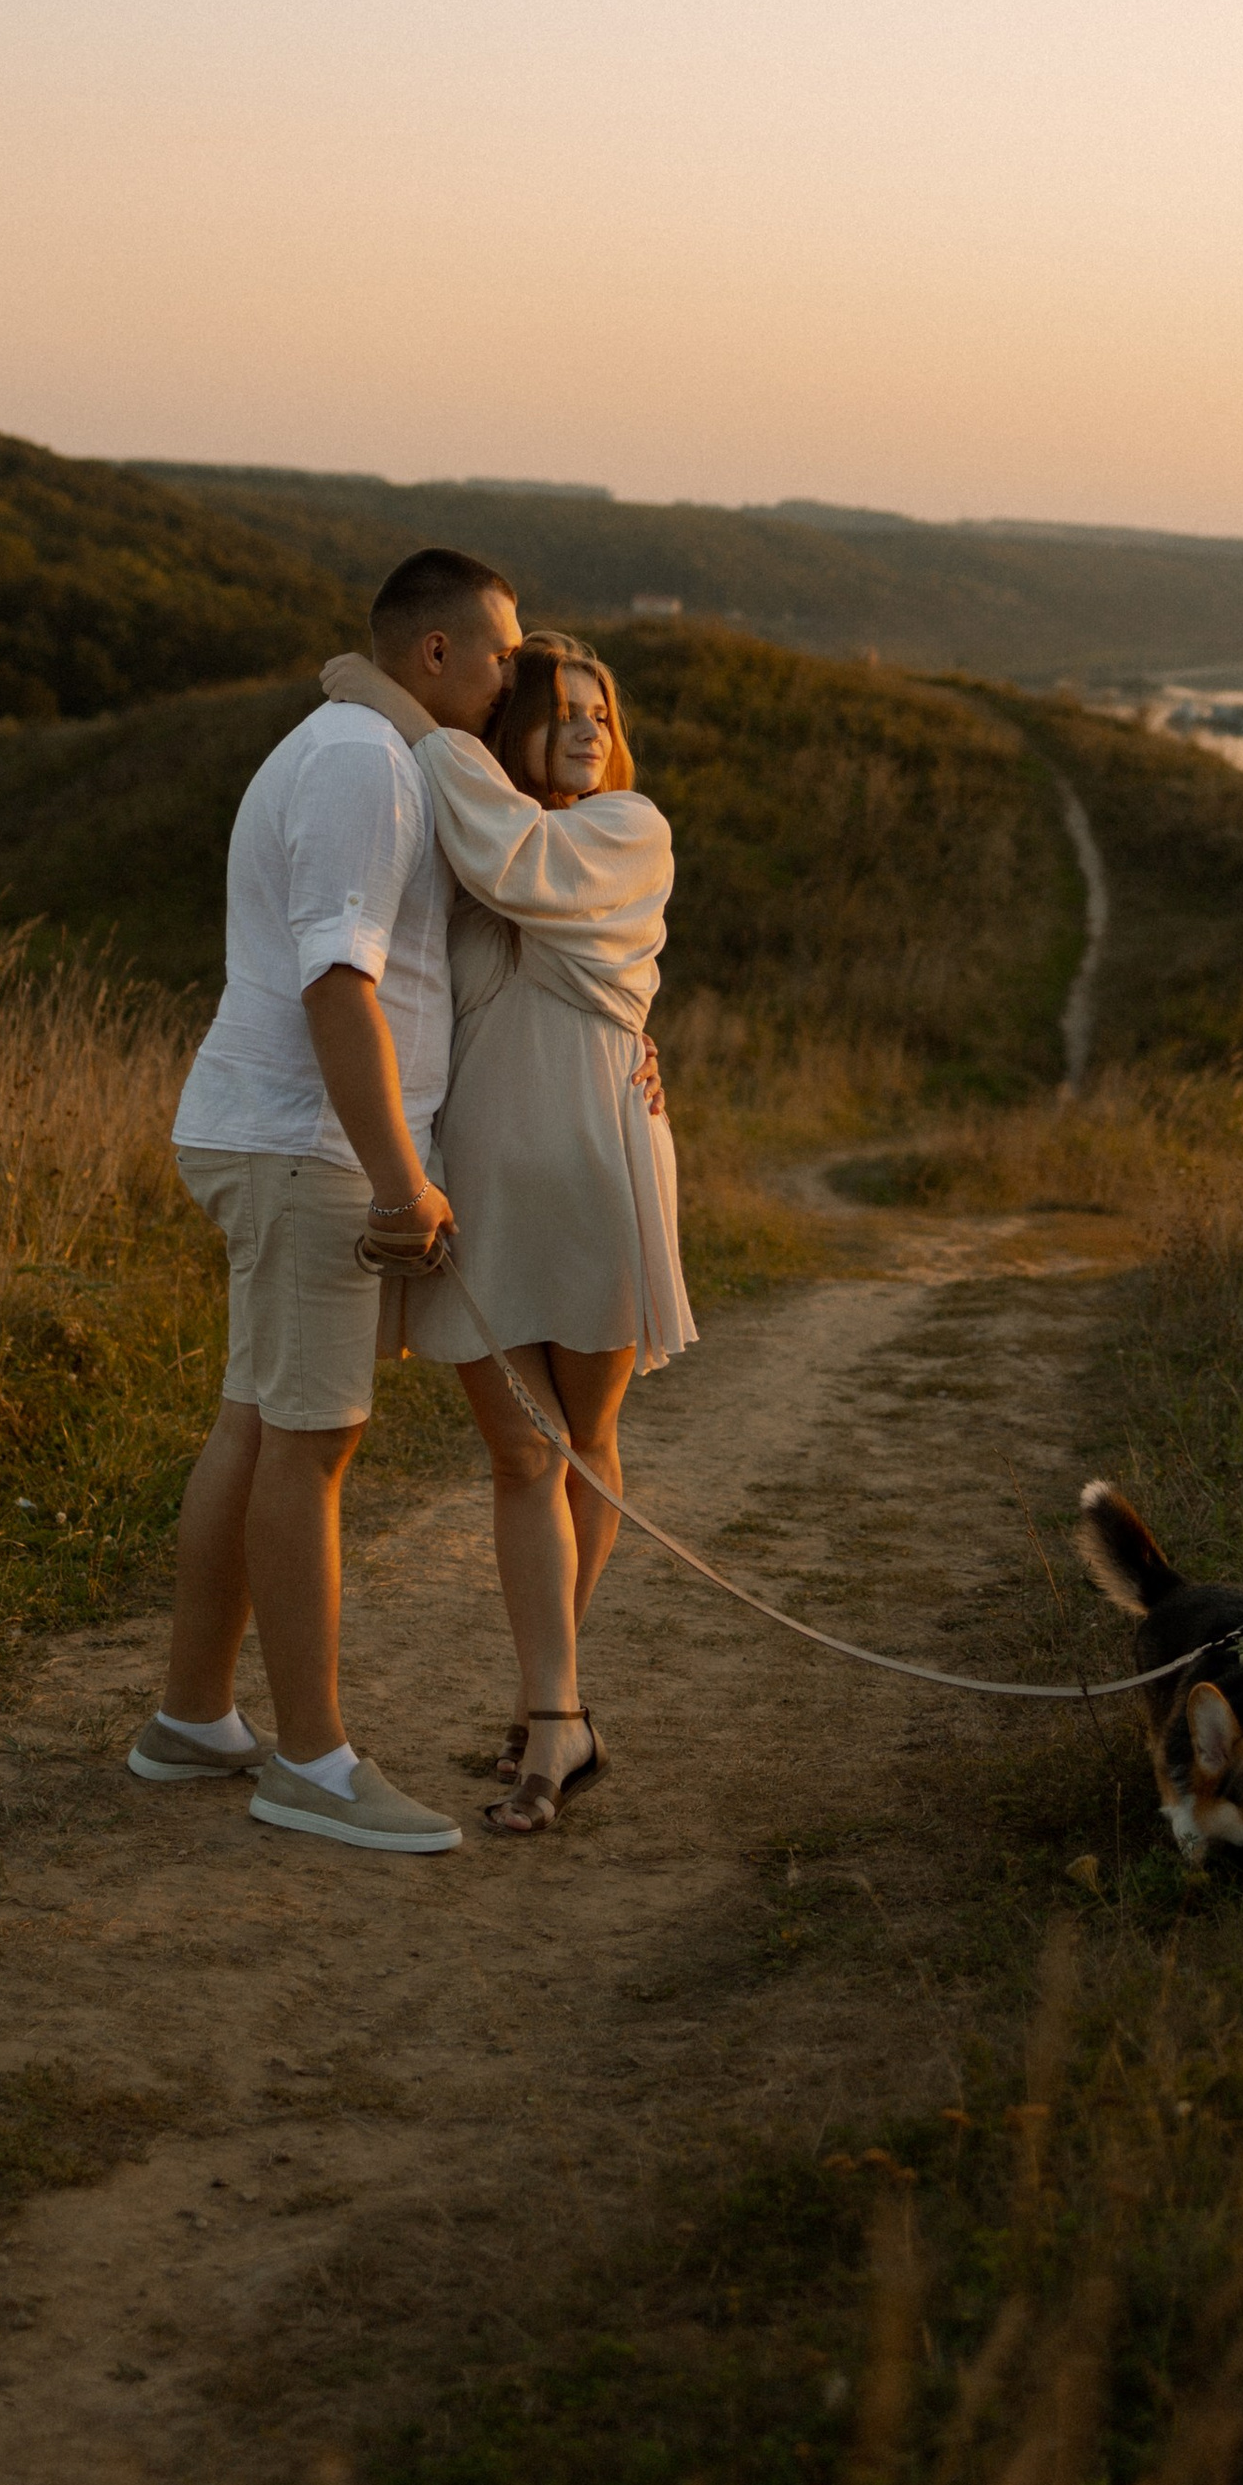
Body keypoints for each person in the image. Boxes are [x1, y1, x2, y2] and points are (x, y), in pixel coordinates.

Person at [127, 545, 521, 1854]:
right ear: (435, 653)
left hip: (274, 1133)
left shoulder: (347, 743)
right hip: (310, 1149)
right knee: (311, 1442)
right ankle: (313, 1763)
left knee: (256, 1421)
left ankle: (193, 1719)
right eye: (501, 651)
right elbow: (338, 983)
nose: (512, 671)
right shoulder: (363, 761)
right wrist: (400, 1180)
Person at [321, 633, 692, 1838]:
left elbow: (519, 858)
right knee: (520, 1457)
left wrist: (407, 716)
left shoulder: (623, 828)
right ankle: (557, 1709)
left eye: (600, 709)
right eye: (560, 709)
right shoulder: (461, 834)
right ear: (511, 727)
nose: (588, 727)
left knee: (584, 1439)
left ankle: (551, 1710)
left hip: (599, 1170)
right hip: (480, 1183)